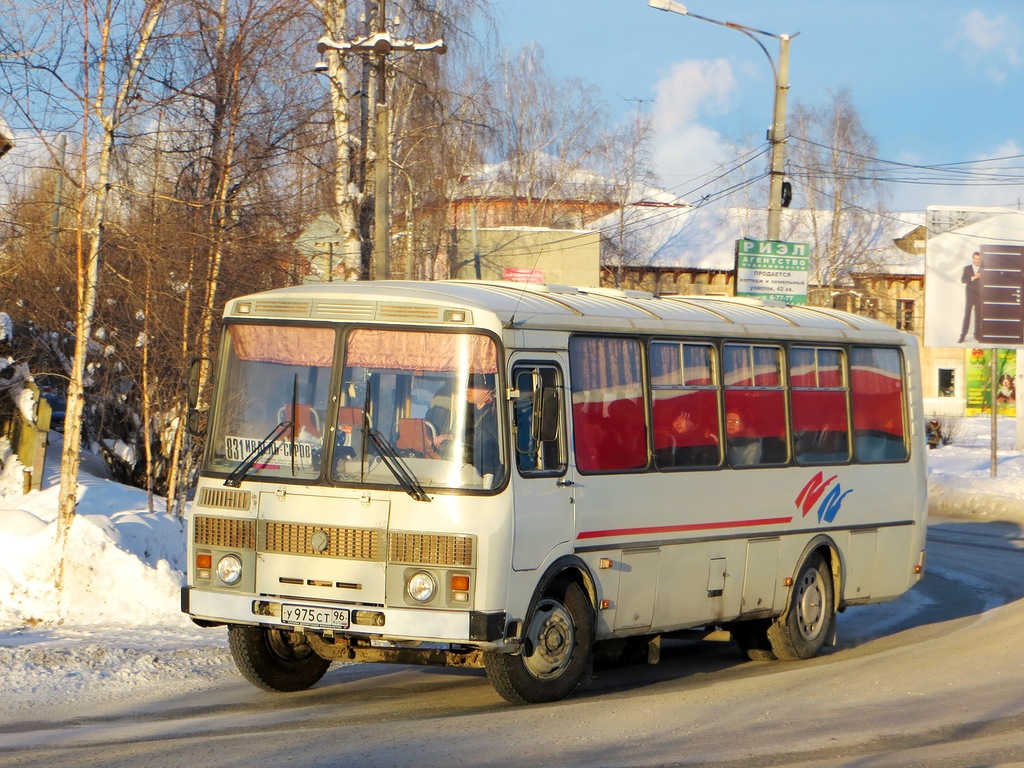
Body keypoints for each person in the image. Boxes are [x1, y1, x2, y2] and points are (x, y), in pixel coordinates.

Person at [433, 372, 502, 486]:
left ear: (487, 388)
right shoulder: (465, 410)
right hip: (463, 470)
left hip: (489, 471)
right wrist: (448, 437)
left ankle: (487, 485)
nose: (467, 389)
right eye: (466, 385)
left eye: (472, 385)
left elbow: (491, 440)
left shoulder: (497, 411)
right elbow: (456, 433)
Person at [959, 251, 983, 344]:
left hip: (979, 296)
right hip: (970, 296)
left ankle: (977, 335)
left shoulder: (982, 269)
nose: (977, 261)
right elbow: (963, 280)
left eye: (978, 259)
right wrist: (974, 277)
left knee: (978, 316)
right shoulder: (967, 268)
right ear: (973, 259)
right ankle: (962, 336)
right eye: (975, 259)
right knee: (967, 315)